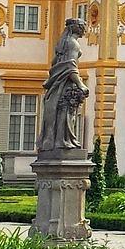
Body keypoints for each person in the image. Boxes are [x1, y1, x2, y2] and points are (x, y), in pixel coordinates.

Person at [38, 18, 90, 154]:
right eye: (83, 26)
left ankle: (59, 141)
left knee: (58, 112)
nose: (84, 29)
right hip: (67, 84)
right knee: (66, 113)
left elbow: (54, 63)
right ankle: (64, 141)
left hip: (59, 83)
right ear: (77, 28)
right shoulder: (73, 43)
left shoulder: (63, 43)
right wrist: (81, 84)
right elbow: (70, 65)